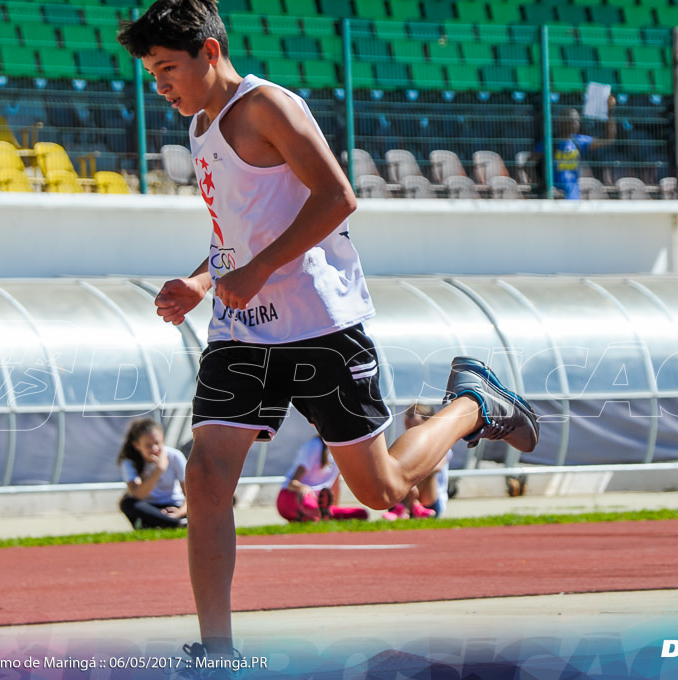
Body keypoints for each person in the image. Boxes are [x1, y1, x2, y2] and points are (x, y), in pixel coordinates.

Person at [117, 0, 539, 665]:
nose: (160, 87)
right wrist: (204, 281)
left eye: (168, 68)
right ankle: (217, 650)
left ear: (209, 51)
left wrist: (255, 269)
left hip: (320, 326)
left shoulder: (267, 108)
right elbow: (237, 232)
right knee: (204, 478)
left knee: (382, 493)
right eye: (150, 74)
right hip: (242, 331)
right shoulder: (200, 126)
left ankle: (473, 404)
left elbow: (339, 197)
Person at [533, 97, 617, 199]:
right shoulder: (550, 143)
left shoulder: (579, 141)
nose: (576, 124)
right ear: (562, 122)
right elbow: (530, 163)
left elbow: (608, 139)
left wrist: (610, 112)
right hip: (554, 196)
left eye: (577, 121)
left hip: (573, 196)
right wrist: (543, 186)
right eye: (572, 121)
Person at [382, 403, 453, 520]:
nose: (406, 419)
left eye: (411, 415)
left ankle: (406, 507)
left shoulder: (440, 444)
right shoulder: (401, 443)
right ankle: (412, 506)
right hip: (408, 493)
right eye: (406, 415)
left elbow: (437, 468)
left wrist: (411, 484)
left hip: (430, 500)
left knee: (429, 473)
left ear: (426, 420)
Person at [277, 435, 369, 523]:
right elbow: (292, 483)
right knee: (308, 501)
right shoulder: (314, 445)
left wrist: (332, 509)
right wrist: (304, 488)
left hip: (317, 503)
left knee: (362, 513)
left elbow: (335, 486)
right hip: (293, 497)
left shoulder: (340, 450)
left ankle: (315, 516)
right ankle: (315, 515)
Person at [116, 418, 189, 529]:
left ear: (163, 440)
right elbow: (137, 495)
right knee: (127, 503)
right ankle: (176, 523)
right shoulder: (130, 461)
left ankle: (169, 521)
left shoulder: (175, 456)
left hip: (174, 504)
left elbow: (191, 494)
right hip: (149, 508)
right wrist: (159, 469)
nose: (154, 449)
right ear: (137, 445)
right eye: (148, 445)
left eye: (157, 443)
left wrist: (179, 512)